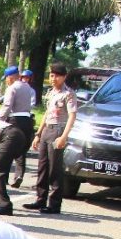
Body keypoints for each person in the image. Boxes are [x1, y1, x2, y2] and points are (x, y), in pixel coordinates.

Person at [23, 63, 77, 215]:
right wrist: (38, 134)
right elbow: (47, 114)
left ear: (64, 77)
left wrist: (63, 137)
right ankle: (40, 199)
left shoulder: (69, 94)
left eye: (57, 76)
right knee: (43, 167)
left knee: (55, 168)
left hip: (58, 130)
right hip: (47, 129)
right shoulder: (51, 92)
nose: (53, 79)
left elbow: (72, 116)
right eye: (52, 75)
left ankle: (54, 204)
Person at [0, 66, 37, 188]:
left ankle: (2, 178)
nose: (6, 81)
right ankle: (19, 175)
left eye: (7, 79)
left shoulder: (12, 88)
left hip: (14, 120)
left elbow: (7, 106)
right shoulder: (28, 88)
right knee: (21, 150)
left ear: (10, 77)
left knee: (7, 149)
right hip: (27, 120)